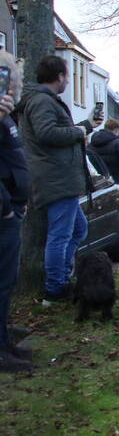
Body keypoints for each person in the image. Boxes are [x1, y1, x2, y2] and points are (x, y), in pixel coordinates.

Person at [17, 55, 101, 305]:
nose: (68, 80)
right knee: (61, 235)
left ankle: (62, 278)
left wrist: (86, 125)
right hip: (56, 179)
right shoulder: (42, 101)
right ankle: (55, 289)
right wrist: (79, 131)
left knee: (78, 229)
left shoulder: (43, 101)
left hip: (60, 178)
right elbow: (47, 133)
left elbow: (55, 131)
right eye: (67, 75)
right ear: (60, 76)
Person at [0, 52, 32, 371]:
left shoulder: (7, 116)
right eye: (13, 79)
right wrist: (5, 209)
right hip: (3, 213)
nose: (16, 86)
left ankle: (4, 339)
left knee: (6, 281)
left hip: (10, 208)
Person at [89, 118, 119, 195]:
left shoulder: (92, 144)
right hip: (116, 180)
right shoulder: (118, 143)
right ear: (116, 130)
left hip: (98, 183)